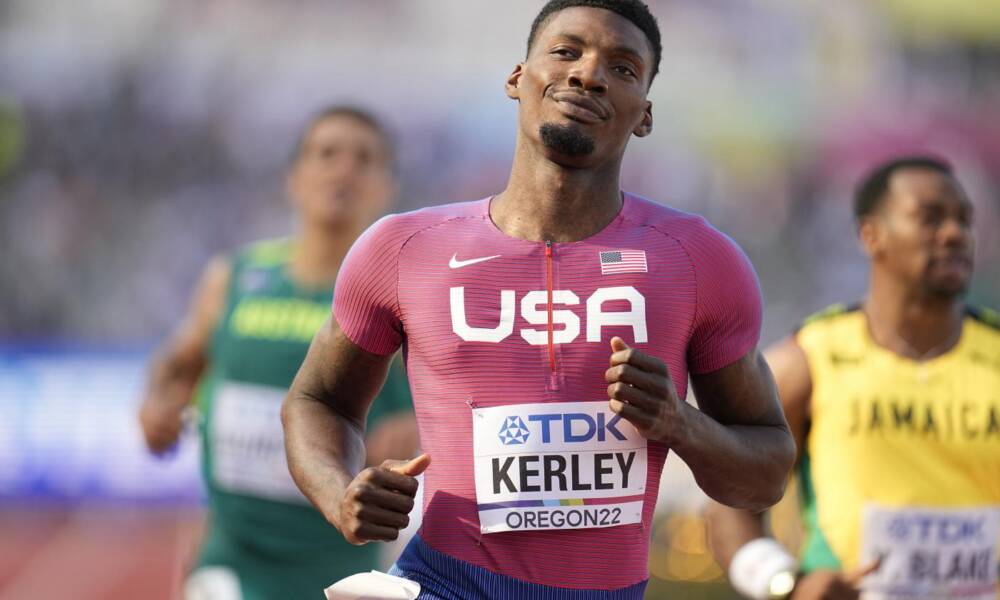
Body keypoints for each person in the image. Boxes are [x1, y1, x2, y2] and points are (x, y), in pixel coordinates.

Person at [282, 1, 796, 598]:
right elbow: (317, 400)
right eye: (566, 51)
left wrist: (680, 423)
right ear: (517, 78)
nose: (588, 74)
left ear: (645, 115)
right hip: (443, 583)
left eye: (623, 68)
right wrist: (339, 492)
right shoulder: (404, 248)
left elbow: (765, 474)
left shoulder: (698, 260)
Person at [139, 106, 418, 600]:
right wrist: (159, 405)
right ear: (294, 177)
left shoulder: (400, 299)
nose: (344, 170)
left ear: (387, 187)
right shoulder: (235, 278)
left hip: (340, 569)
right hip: (232, 559)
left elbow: (432, 423)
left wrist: (403, 444)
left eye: (364, 159)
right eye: (326, 154)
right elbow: (179, 365)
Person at [705, 156, 1000, 600]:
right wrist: (783, 583)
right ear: (871, 234)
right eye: (931, 218)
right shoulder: (812, 359)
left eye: (965, 219)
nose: (955, 233)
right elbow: (728, 496)